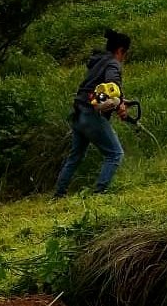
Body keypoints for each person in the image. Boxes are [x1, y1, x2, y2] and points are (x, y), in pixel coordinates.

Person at [52, 29, 131, 197]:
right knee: (115, 154)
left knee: (75, 156)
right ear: (121, 51)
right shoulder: (113, 64)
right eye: (125, 54)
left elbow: (96, 88)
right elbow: (111, 86)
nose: (124, 58)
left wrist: (122, 101)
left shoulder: (98, 61)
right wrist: (120, 106)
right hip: (91, 114)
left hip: (78, 112)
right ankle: (99, 193)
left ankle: (58, 194)